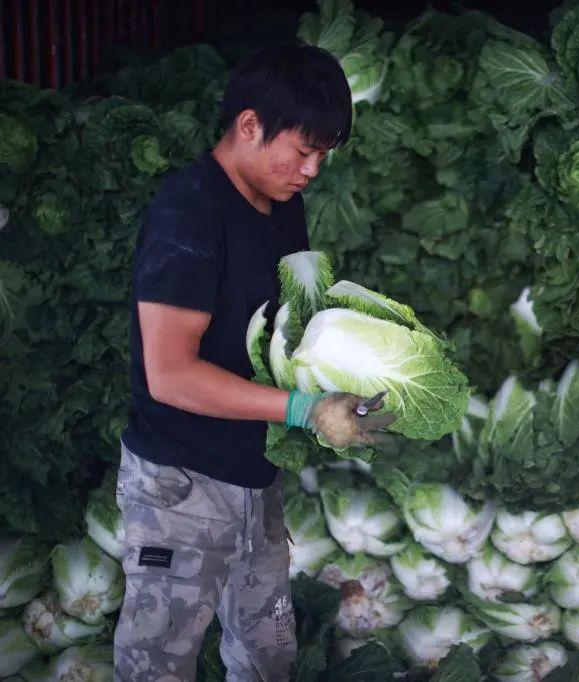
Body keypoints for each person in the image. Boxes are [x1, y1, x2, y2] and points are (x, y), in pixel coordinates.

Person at [114, 44, 394, 680]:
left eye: (324, 154)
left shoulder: (281, 203)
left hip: (255, 473)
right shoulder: (188, 216)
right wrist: (304, 408)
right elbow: (171, 375)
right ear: (248, 126)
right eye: (301, 151)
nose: (313, 170)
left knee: (268, 656)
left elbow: (279, 325)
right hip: (180, 486)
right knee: (159, 661)